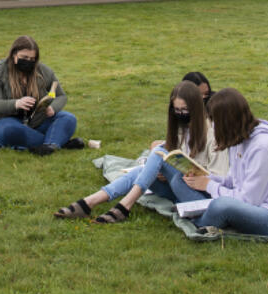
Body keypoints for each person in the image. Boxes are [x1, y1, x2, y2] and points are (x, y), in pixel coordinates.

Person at [54, 79, 228, 223]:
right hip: (178, 188)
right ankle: (90, 202)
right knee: (151, 163)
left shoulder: (214, 134)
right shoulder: (182, 129)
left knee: (159, 153)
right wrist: (164, 172)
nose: (181, 114)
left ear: (196, 109)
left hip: (202, 199)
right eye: (177, 110)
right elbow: (175, 156)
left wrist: (197, 178)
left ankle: (121, 206)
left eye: (185, 110)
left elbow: (223, 180)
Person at [187, 88, 268, 238]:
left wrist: (209, 186)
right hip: (246, 204)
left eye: (213, 120)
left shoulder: (263, 147)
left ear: (226, 122)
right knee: (177, 179)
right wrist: (206, 178)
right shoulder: (239, 140)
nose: (212, 126)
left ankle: (197, 222)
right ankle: (199, 213)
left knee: (221, 206)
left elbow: (249, 200)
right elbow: (233, 181)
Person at [0, 35, 80, 155]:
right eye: (24, 57)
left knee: (68, 118)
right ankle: (56, 143)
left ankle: (48, 145)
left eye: (32, 59)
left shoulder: (44, 71)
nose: (28, 62)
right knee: (8, 131)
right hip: (6, 121)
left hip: (37, 120)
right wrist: (16, 103)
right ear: (14, 55)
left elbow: (61, 96)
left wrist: (52, 108)